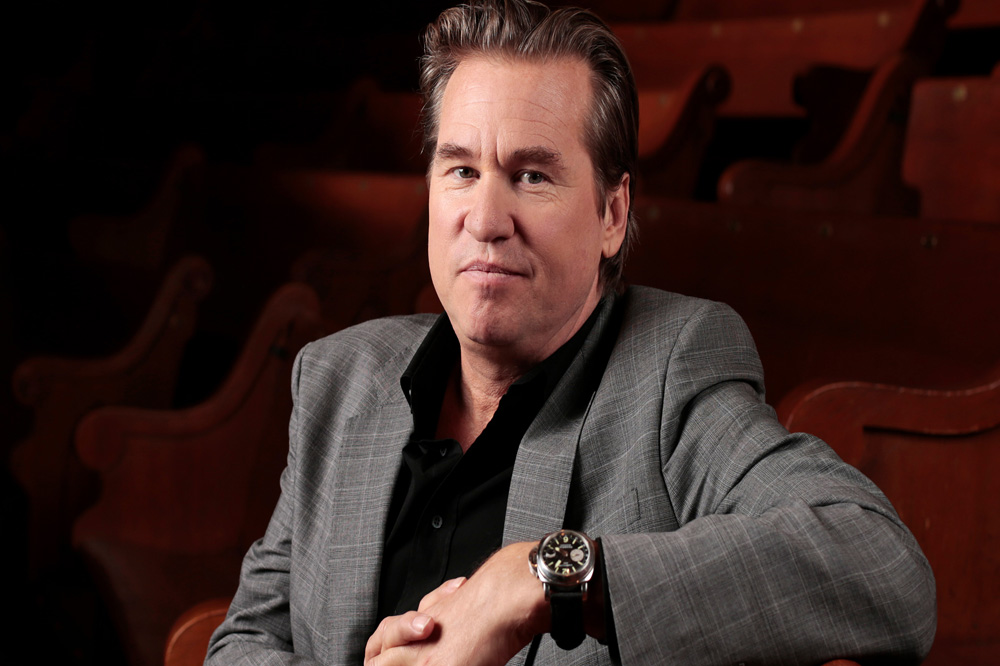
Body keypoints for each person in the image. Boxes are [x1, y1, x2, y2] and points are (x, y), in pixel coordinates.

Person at [206, 1, 936, 664]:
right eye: (460, 170)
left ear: (612, 213)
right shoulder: (336, 377)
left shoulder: (670, 373)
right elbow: (242, 642)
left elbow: (880, 563)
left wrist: (544, 579)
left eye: (531, 176)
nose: (485, 220)